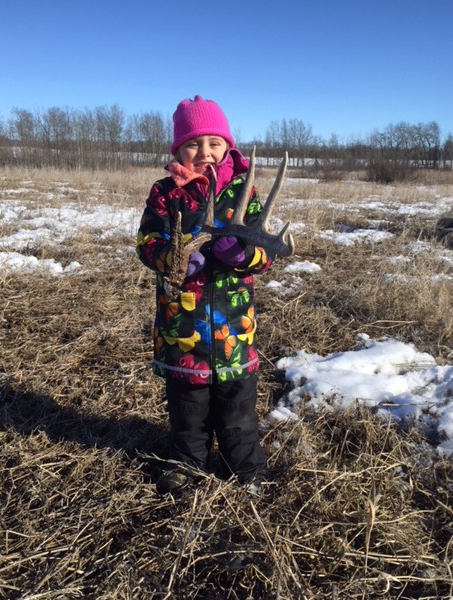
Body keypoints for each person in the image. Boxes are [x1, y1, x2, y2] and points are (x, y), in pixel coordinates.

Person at [136, 96, 277, 497]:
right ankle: (185, 468)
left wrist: (244, 255)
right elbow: (147, 243)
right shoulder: (166, 193)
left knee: (238, 412)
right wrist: (175, 259)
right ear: (178, 149)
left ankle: (247, 471)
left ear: (228, 146)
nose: (205, 153)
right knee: (187, 412)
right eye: (194, 145)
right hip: (183, 331)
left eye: (214, 143)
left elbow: (264, 255)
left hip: (234, 330)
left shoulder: (244, 192)